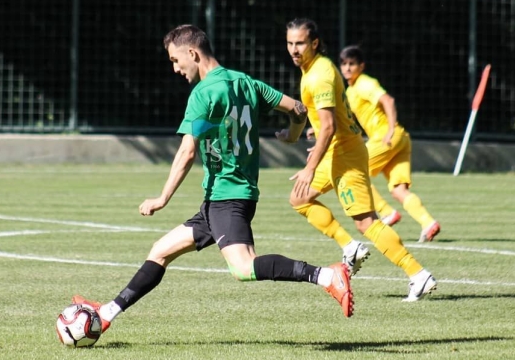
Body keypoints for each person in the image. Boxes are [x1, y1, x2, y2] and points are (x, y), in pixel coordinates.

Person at [72, 24, 354, 337]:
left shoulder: (203, 94)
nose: (175, 68)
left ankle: (326, 276)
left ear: (192, 53)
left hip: (228, 196)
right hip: (222, 197)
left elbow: (187, 152)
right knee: (161, 251)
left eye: (176, 60)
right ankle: (106, 313)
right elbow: (298, 109)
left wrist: (162, 197)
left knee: (244, 267)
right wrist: (293, 134)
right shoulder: (244, 81)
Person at [275, 18, 436, 301]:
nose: (293, 49)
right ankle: (350, 247)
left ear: (314, 43)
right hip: (336, 151)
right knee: (299, 199)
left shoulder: (319, 75)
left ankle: (418, 275)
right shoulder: (313, 69)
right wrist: (299, 134)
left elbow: (329, 127)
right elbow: (327, 119)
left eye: (299, 43)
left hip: (346, 154)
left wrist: (310, 167)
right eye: (290, 43)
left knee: (365, 221)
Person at [338, 45, 441, 242]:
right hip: (400, 139)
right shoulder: (351, 91)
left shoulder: (364, 83)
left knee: (354, 171)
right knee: (398, 190)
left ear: (362, 66)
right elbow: (344, 119)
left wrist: (391, 128)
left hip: (387, 136)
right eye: (344, 64)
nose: (347, 68)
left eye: (352, 64)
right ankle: (428, 223)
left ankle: (386, 212)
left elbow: (388, 100)